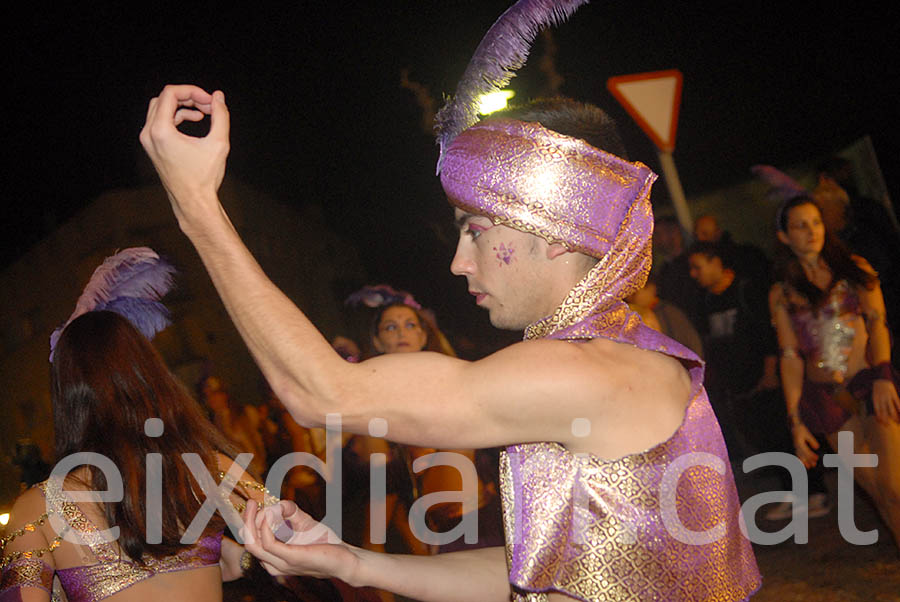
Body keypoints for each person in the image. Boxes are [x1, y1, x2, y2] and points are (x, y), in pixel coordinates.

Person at [0, 249, 274, 601]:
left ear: (66, 399)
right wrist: (234, 557)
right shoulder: (210, 470)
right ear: (154, 378)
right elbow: (298, 549)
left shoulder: (36, 511)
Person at [769, 195, 900, 547]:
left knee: (894, 486)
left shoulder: (854, 268)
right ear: (784, 237)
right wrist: (796, 419)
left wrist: (884, 375)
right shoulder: (782, 292)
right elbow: (790, 356)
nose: (811, 231)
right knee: (878, 491)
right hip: (827, 399)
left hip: (868, 384)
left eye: (815, 222)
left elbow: (878, 323)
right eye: (800, 225)